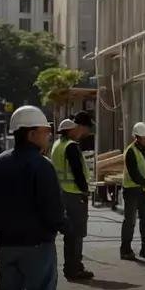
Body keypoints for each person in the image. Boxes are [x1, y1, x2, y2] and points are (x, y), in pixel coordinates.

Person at [0, 106, 80, 290]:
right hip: (37, 249)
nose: (47, 135)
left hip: (7, 248)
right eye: (44, 130)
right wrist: (68, 227)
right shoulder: (41, 166)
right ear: (31, 133)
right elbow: (53, 211)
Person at [51, 118, 94, 281]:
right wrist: (85, 190)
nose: (78, 132)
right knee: (77, 232)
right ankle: (75, 268)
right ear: (70, 131)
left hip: (62, 193)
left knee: (70, 232)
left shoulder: (56, 145)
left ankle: (70, 267)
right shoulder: (71, 146)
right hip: (74, 194)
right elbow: (77, 172)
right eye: (75, 129)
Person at [120, 122, 145, 260]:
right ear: (137, 138)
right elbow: (134, 174)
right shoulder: (130, 152)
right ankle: (125, 250)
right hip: (132, 190)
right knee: (130, 221)